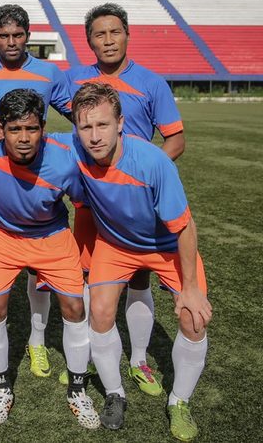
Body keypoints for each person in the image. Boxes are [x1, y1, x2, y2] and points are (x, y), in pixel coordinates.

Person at [70, 82, 211, 440]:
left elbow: (184, 227)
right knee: (100, 312)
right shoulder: (74, 150)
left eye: (103, 125)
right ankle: (114, 393)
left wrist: (190, 288)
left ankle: (179, 401)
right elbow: (28, 138)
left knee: (193, 318)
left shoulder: (153, 162)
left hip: (167, 246)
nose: (94, 136)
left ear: (120, 123)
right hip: (116, 245)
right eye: (86, 127)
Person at [0, 89, 98, 429]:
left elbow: (84, 203)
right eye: (15, 129)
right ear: (1, 128)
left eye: (31, 129)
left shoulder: (64, 161)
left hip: (52, 237)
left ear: (43, 128)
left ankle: (78, 389)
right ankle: (1, 386)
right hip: (1, 237)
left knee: (75, 309)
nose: (23, 138)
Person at [65, 2, 188, 392]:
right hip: (90, 200)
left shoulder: (151, 83)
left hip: (137, 202)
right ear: (89, 41)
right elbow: (31, 93)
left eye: (115, 32)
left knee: (139, 278)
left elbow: (176, 139)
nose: (108, 40)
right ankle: (86, 357)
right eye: (99, 34)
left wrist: (141, 176)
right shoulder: (74, 79)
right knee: (86, 277)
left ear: (127, 35)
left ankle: (138, 360)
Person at [0, 4, 73, 380]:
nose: (11, 42)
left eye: (17, 35)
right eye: (3, 36)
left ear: (27, 35)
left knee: (39, 267)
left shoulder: (50, 73)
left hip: (36, 181)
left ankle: (37, 340)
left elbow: (77, 114)